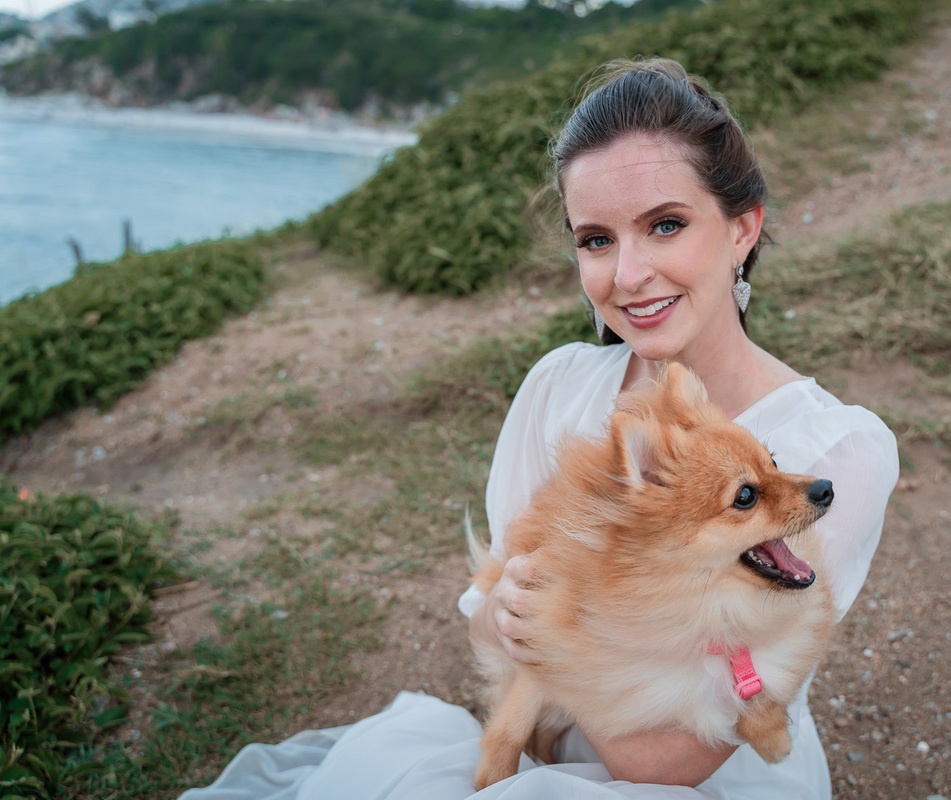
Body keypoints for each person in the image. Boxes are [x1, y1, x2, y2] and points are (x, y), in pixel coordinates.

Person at [179, 59, 898, 800]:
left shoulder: (836, 451)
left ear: (742, 228)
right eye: (595, 239)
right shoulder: (559, 388)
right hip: (545, 751)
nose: (627, 274)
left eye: (665, 225)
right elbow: (486, 626)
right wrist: (510, 613)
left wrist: (544, 628)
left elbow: (667, 762)